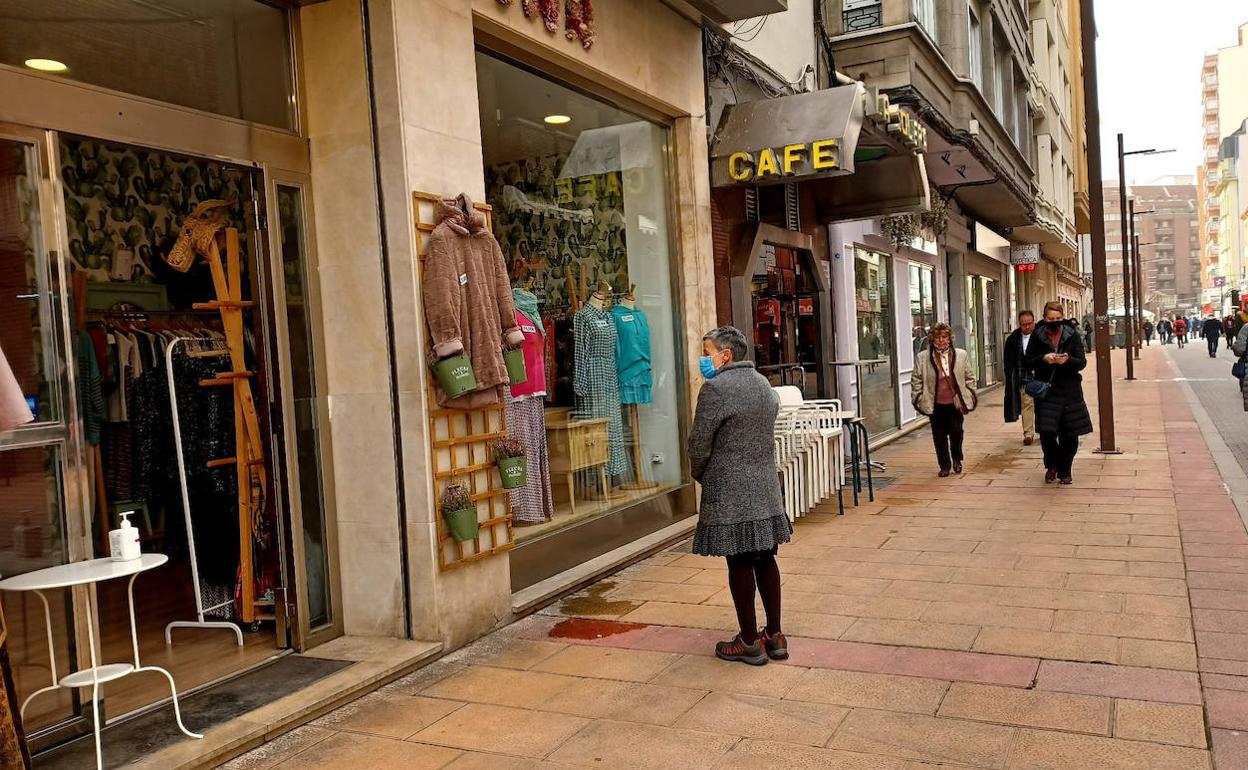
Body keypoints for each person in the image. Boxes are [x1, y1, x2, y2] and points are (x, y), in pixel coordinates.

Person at [688, 326, 791, 665]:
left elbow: (699, 443)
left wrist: (699, 472)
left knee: (740, 560)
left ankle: (748, 640)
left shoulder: (716, 389)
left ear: (725, 354)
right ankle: (774, 635)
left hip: (731, 487)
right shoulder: (763, 384)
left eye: (707, 351)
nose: (704, 358)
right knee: (765, 557)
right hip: (763, 484)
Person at [1025, 302, 1093, 485]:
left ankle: (1065, 469)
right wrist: (1043, 358)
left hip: (1070, 390)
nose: (1054, 322)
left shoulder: (1072, 335)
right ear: (1044, 318)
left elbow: (1082, 362)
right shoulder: (1037, 336)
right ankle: (1052, 465)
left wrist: (1068, 360)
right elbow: (1028, 361)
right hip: (1047, 390)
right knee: (1047, 433)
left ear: (1062, 317)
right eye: (1050, 319)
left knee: (1070, 434)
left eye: (1057, 319)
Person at [911, 323, 977, 477]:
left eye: (945, 337)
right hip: (935, 403)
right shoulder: (923, 357)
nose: (941, 340)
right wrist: (919, 397)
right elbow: (916, 379)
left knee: (956, 432)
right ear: (932, 338)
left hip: (955, 402)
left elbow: (970, 377)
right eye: (938, 337)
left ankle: (957, 459)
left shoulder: (961, 355)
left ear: (950, 338)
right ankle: (944, 465)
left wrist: (969, 392)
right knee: (939, 436)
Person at [1004, 311, 1038, 446]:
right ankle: (1028, 433)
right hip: (1024, 377)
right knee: (1027, 404)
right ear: (1020, 324)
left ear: (1034, 322)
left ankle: (1044, 430)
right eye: (1024, 324)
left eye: (1030, 324)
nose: (1027, 327)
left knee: (1042, 405)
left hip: (1041, 376)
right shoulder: (1013, 339)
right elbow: (1008, 361)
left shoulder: (1041, 336)